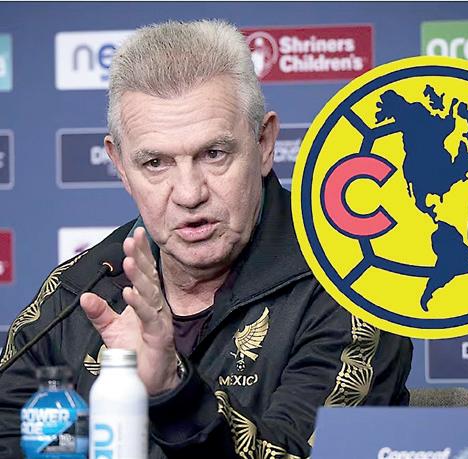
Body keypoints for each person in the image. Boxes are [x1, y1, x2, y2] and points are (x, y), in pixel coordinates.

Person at [0, 20, 412, 458]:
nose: (189, 193)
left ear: (264, 143)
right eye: (155, 163)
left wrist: (171, 390)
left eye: (214, 154)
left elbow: (300, 452)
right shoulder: (80, 291)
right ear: (120, 166)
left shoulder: (351, 286)